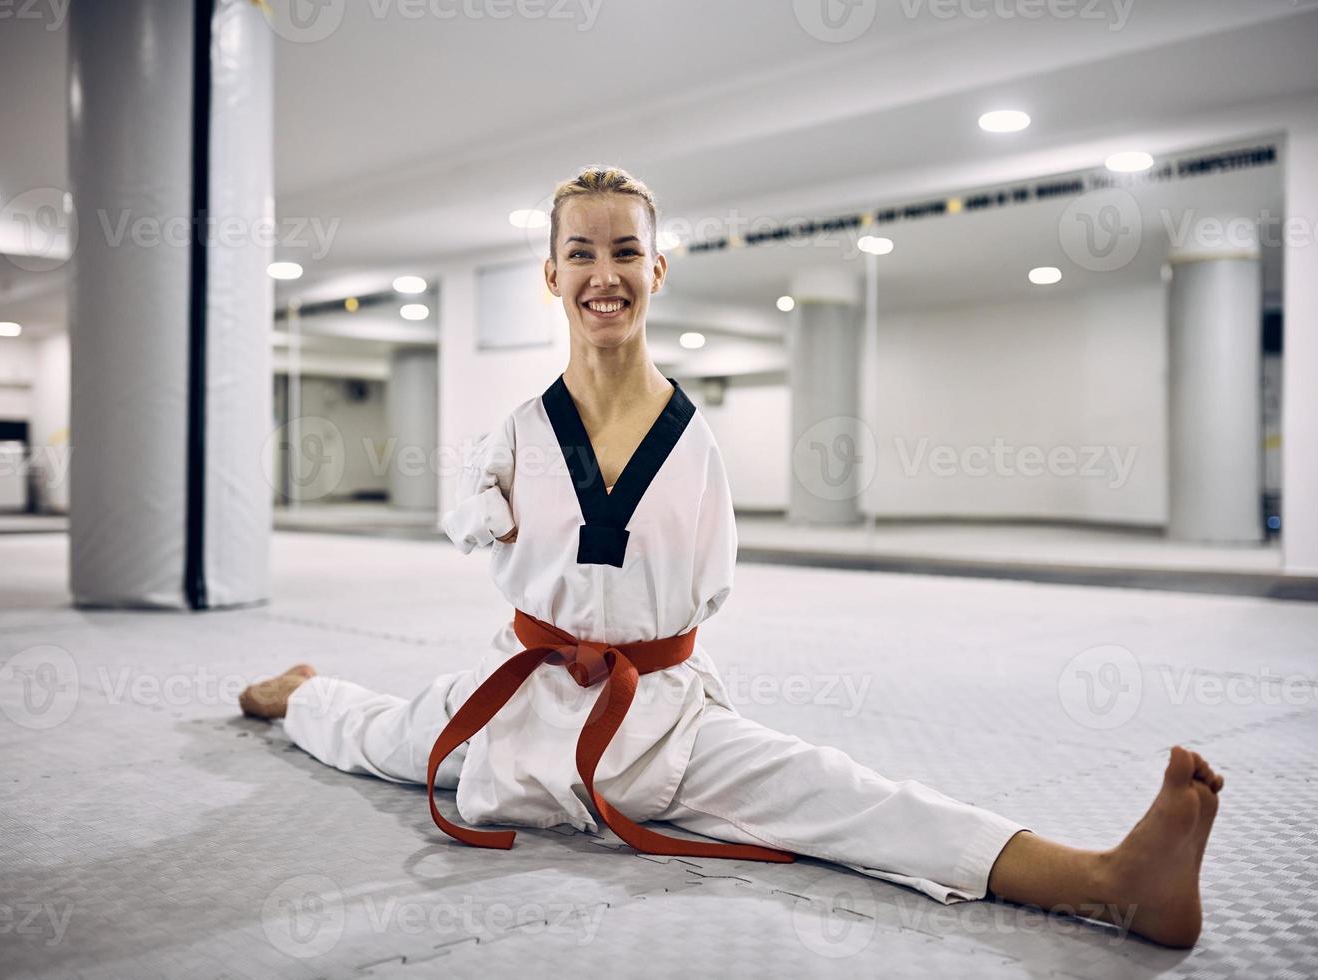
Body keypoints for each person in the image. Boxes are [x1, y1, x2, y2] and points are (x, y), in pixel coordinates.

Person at [239, 165, 1224, 949]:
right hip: (520, 701)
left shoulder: (692, 437)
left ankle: (1109, 881)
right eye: (579, 251)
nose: (604, 271)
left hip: (660, 722)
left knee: (852, 795)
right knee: (373, 734)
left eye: (627, 249)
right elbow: (472, 525)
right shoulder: (515, 429)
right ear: (551, 275)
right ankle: (295, 690)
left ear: (657, 270)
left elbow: (704, 589)